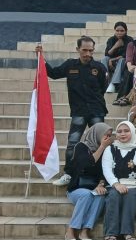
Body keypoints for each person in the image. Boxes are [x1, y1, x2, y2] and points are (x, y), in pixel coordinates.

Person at [36, 37, 107, 187]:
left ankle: (103, 175)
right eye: (84, 50)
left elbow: (103, 87)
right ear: (78, 50)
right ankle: (68, 173)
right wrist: (40, 58)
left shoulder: (99, 68)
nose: (87, 53)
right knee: (72, 143)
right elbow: (53, 73)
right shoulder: (70, 65)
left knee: (103, 143)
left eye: (90, 50)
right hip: (78, 111)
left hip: (97, 110)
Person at [64, 123, 112, 240]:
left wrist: (101, 184)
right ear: (98, 134)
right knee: (86, 195)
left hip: (94, 187)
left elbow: (104, 172)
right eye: (106, 135)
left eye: (110, 136)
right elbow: (86, 165)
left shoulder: (107, 150)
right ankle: (71, 229)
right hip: (77, 188)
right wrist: (101, 147)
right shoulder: (81, 147)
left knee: (100, 196)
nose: (108, 138)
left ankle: (85, 230)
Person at [102, 121, 136, 240]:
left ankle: (127, 232)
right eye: (120, 131)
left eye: (126, 131)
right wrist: (116, 184)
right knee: (114, 196)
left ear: (132, 132)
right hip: (115, 184)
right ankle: (110, 233)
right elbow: (106, 169)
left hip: (134, 185)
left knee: (131, 196)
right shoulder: (110, 149)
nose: (123, 134)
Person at [115, 24, 136, 103]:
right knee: (129, 72)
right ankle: (122, 97)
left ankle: (127, 98)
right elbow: (129, 59)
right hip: (133, 67)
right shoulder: (132, 44)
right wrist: (130, 66)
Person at [103, 22, 132, 93]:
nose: (119, 33)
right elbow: (107, 53)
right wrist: (115, 46)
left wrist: (113, 59)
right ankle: (103, 79)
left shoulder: (129, 40)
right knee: (104, 59)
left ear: (126, 31)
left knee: (122, 60)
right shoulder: (111, 40)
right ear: (114, 30)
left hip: (122, 62)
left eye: (122, 31)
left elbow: (126, 55)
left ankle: (114, 83)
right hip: (112, 61)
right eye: (117, 30)